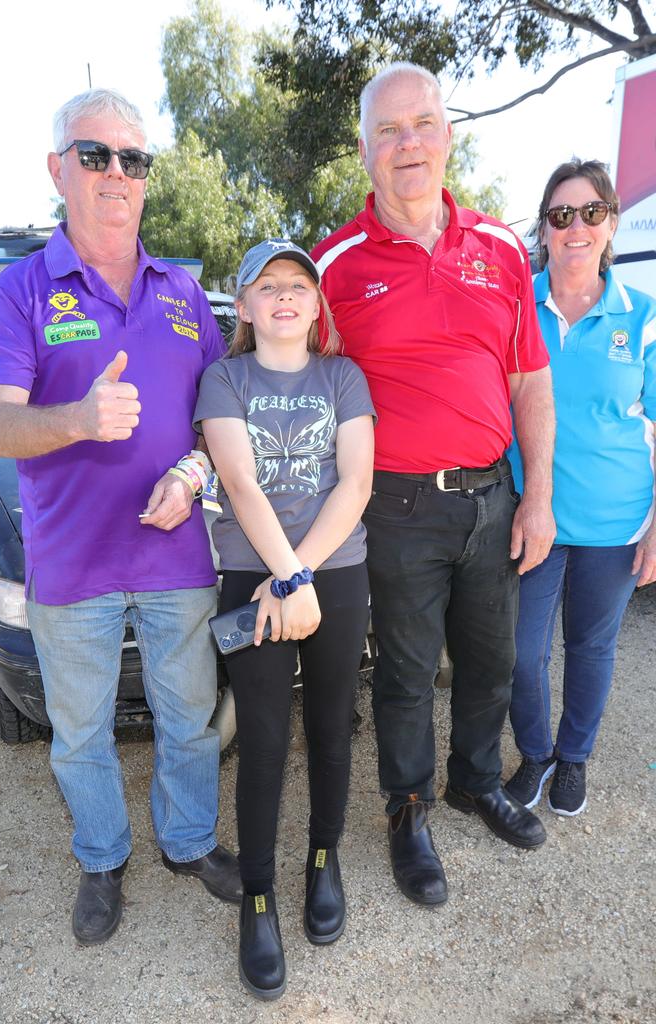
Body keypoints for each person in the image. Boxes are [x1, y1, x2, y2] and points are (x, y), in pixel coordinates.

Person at [0, 88, 241, 946]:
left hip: (176, 557)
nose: (116, 174)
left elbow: (217, 414)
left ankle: (190, 842)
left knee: (189, 716)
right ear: (59, 169)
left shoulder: (182, 292)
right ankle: (100, 858)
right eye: (95, 155)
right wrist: (79, 420)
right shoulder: (20, 291)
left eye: (134, 159)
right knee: (80, 729)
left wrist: (197, 469)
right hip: (73, 563)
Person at [310, 62, 557, 908]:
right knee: (409, 675)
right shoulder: (334, 266)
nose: (407, 143)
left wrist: (539, 495)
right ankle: (409, 808)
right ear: (364, 149)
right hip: (397, 505)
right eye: (388, 130)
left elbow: (530, 382)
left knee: (491, 663)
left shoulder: (499, 250)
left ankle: (474, 781)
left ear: (448, 137)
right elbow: (300, 386)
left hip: (493, 499)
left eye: (422, 125)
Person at [195, 240, 375, 1000]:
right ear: (243, 306)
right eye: (267, 286)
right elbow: (238, 480)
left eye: (299, 285)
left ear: (316, 302)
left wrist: (303, 575)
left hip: (335, 570)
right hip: (254, 574)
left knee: (332, 727)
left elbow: (356, 481)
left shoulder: (343, 376)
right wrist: (284, 576)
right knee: (264, 740)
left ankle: (324, 860)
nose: (285, 297)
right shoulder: (225, 377)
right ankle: (260, 896)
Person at [505, 159, 656, 817]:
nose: (575, 227)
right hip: (530, 517)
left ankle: (573, 759)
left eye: (590, 212)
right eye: (560, 215)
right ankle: (535, 752)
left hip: (616, 522)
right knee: (520, 652)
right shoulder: (516, 305)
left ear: (610, 224)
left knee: (591, 648)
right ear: (544, 228)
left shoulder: (643, 316)